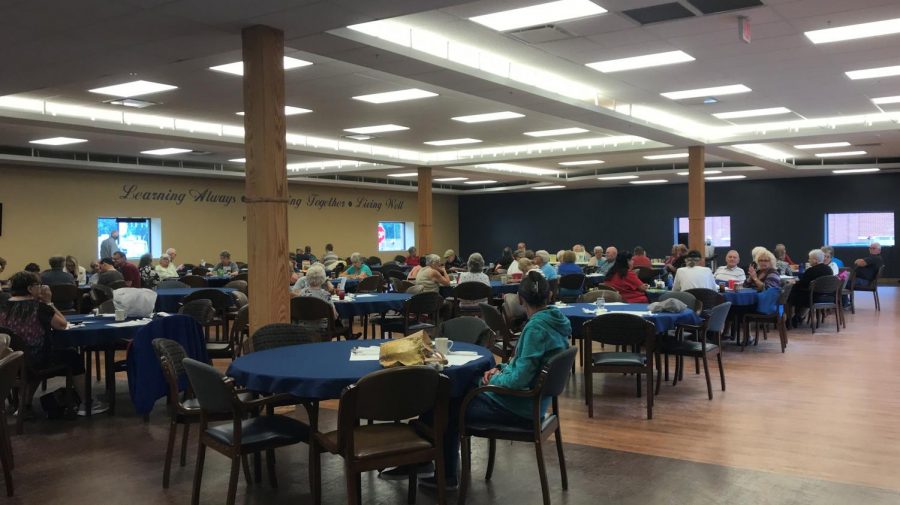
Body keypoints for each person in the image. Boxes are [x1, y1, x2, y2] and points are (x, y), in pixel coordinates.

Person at [415, 271, 571, 489]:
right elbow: (526, 365)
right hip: (536, 404)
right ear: (550, 295)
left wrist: (493, 380)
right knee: (457, 394)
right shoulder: (557, 322)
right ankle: (427, 461)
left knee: (447, 404)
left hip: (519, 407)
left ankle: (442, 472)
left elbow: (518, 380)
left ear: (520, 298)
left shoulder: (536, 328)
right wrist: (501, 367)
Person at [0, 271, 107, 415]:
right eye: (39, 285)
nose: (42, 287)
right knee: (72, 356)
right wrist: (49, 302)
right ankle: (87, 403)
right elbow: (62, 324)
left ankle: (24, 405)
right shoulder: (38, 307)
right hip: (36, 360)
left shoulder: (3, 306)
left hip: (9, 361)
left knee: (30, 356)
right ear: (30, 288)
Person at [787, 249, 834, 326]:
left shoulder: (811, 270)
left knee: (791, 293)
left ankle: (791, 318)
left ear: (815, 260)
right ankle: (799, 317)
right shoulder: (829, 270)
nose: (808, 260)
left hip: (813, 297)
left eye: (810, 258)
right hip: (828, 297)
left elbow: (803, 284)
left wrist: (793, 282)